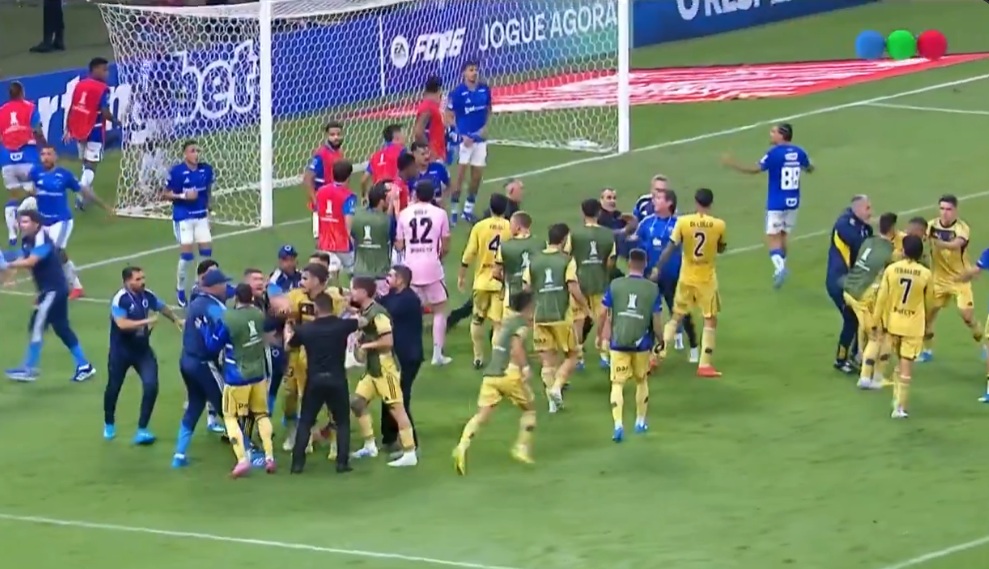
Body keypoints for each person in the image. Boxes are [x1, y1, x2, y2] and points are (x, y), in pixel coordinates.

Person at [1, 209, 95, 382]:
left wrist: (7, 264)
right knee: (62, 328)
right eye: (21, 222)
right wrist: (9, 272)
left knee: (37, 326)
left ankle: (28, 368)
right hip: (51, 290)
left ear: (36, 223)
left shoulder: (42, 239)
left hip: (53, 291)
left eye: (26, 222)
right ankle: (84, 366)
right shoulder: (27, 240)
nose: (22, 225)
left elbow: (32, 261)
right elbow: (24, 259)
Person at [452, 291, 537, 475]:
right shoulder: (520, 324)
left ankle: (462, 446)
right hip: (508, 374)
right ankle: (521, 448)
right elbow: (516, 347)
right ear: (528, 307)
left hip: (490, 375)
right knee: (529, 410)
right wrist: (525, 368)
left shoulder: (506, 322)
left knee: (482, 415)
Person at [723, 122, 813, 288]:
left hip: (776, 202)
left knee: (772, 237)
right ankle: (782, 266)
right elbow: (809, 168)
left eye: (774, 132)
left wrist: (732, 163)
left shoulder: (774, 153)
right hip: (793, 201)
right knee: (783, 235)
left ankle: (780, 268)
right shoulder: (799, 152)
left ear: (782, 135)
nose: (771, 134)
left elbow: (754, 169)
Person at [205, 283, 277, 476]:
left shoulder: (228, 318)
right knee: (261, 414)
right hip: (258, 374)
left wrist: (206, 330)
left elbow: (212, 346)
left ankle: (242, 460)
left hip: (236, 377)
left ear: (236, 298)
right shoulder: (258, 314)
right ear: (252, 298)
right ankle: (270, 457)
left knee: (230, 417)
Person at [104, 266, 181, 444]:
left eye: (143, 278)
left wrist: (175, 319)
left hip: (142, 351)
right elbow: (122, 324)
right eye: (138, 279)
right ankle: (109, 422)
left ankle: (142, 429)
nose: (142, 282)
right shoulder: (120, 299)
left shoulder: (147, 295)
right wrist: (146, 321)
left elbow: (162, 307)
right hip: (120, 352)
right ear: (127, 282)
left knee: (151, 385)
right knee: (114, 388)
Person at [284, 292, 359, 474]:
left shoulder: (306, 330)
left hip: (315, 380)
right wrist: (350, 308)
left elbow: (288, 346)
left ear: (316, 308)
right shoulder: (342, 326)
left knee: (306, 421)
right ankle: (342, 463)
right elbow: (362, 321)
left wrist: (288, 330)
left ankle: (297, 464)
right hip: (337, 379)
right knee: (342, 422)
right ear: (332, 306)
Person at [656, 188, 727, 378]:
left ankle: (658, 354)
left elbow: (671, 247)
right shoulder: (719, 225)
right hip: (706, 278)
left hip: (686, 275)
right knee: (710, 318)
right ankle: (704, 364)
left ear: (696, 202)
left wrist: (658, 268)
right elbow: (721, 248)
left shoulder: (683, 221)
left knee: (676, 316)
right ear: (711, 203)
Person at [349, 276, 418, 467]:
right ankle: (370, 445)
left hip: (385, 369)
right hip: (373, 369)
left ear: (363, 292)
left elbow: (388, 342)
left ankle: (410, 452)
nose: (351, 292)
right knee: (357, 403)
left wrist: (366, 346)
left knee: (397, 410)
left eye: (353, 289)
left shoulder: (378, 314)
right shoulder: (366, 310)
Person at [280, 262, 347, 453]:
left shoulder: (333, 298)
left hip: (323, 354)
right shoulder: (295, 296)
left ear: (317, 281)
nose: (301, 281)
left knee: (327, 398)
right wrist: (288, 339)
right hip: (298, 352)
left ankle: (334, 441)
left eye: (305, 278)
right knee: (292, 395)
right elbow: (289, 322)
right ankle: (298, 434)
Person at [599, 248, 663, 442]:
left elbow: (603, 312)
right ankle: (640, 422)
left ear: (628, 264)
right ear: (645, 265)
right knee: (641, 381)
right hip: (641, 343)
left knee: (617, 383)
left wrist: (600, 335)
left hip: (618, 342)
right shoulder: (652, 289)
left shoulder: (615, 284)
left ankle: (618, 425)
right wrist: (661, 340)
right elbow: (657, 319)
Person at [31, 145, 111, 299]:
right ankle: (75, 287)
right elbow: (31, 189)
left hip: (61, 221)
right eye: (43, 154)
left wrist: (104, 206)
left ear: (55, 157)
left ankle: (53, 288)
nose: (45, 157)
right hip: (43, 222)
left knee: (52, 252)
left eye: (49, 154)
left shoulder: (64, 175)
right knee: (56, 254)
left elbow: (84, 191)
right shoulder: (35, 173)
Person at [525, 223, 589, 412]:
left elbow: (526, 288)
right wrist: (585, 306)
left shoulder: (534, 261)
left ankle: (553, 404)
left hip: (540, 316)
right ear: (564, 240)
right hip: (560, 315)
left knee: (547, 361)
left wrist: (528, 313)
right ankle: (557, 387)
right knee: (573, 355)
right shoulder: (567, 260)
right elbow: (572, 286)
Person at [172, 268, 230, 467]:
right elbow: (226, 325)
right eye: (224, 284)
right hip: (204, 364)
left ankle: (179, 455)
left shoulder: (196, 302)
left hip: (186, 360)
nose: (226, 287)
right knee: (228, 406)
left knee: (195, 406)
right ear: (215, 286)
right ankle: (249, 449)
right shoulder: (213, 307)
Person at [447, 180, 524, 328]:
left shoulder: (502, 208)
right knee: (494, 302)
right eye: (520, 189)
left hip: (489, 263)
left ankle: (459, 318)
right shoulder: (509, 213)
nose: (522, 192)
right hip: (497, 263)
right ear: (512, 191)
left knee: (483, 301)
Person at [871, 235, 933, 418]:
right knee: (906, 366)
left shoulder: (891, 270)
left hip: (894, 323)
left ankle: (897, 400)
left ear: (904, 251)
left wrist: (875, 322)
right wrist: (927, 324)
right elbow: (930, 302)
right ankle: (899, 407)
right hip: (913, 326)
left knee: (899, 362)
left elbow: (881, 298)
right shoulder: (926, 274)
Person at [639, 189, 699, 361]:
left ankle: (694, 346)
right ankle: (650, 352)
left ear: (669, 203)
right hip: (650, 277)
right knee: (649, 314)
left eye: (658, 198)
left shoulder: (679, 223)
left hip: (673, 277)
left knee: (681, 312)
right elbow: (637, 245)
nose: (654, 201)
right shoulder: (646, 223)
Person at [396, 180, 452, 365]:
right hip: (432, 266)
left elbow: (399, 244)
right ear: (433, 194)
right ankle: (437, 354)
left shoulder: (404, 213)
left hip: (409, 269)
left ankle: (410, 350)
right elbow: (446, 244)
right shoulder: (440, 214)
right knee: (440, 309)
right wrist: (437, 257)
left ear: (415, 194)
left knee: (410, 311)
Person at [920, 194, 981, 362]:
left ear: (955, 210)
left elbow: (956, 245)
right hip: (938, 280)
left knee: (967, 317)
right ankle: (927, 350)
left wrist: (939, 243)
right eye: (942, 208)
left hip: (960, 279)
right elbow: (920, 237)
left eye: (948, 209)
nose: (944, 212)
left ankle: (983, 342)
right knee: (927, 317)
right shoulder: (931, 225)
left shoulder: (962, 228)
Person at [842, 213, 898, 390]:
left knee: (864, 325)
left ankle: (860, 355)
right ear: (892, 229)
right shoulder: (890, 251)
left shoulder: (868, 241)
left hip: (849, 289)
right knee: (877, 336)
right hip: (862, 294)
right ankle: (867, 378)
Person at [459, 193, 512, 368]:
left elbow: (469, 253)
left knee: (477, 319)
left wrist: (462, 275)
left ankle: (478, 357)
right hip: (500, 282)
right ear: (505, 209)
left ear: (490, 208)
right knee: (498, 324)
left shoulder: (480, 226)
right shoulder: (509, 227)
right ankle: (497, 359)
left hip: (481, 281)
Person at [376, 265, 424, 455]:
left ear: (401, 279)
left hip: (408, 357)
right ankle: (389, 439)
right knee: (389, 395)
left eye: (391, 275)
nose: (387, 278)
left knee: (399, 400)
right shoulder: (394, 296)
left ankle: (411, 445)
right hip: (397, 356)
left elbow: (383, 311)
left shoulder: (408, 300)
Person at [826, 195, 874, 373]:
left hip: (852, 281)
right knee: (852, 318)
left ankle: (854, 355)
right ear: (857, 209)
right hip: (839, 281)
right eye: (867, 208)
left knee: (859, 317)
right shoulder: (844, 225)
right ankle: (841, 359)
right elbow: (861, 247)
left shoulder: (863, 227)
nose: (870, 213)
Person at [165, 140, 214, 307]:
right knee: (187, 256)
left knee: (206, 253)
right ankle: (180, 289)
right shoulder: (177, 172)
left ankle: (197, 286)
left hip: (201, 217)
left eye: (197, 151)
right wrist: (184, 196)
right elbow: (165, 194)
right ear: (185, 154)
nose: (196, 154)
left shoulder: (206, 170)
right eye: (192, 151)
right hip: (183, 217)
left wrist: (209, 211)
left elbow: (208, 191)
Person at [569, 199, 616, 371]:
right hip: (600, 281)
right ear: (599, 212)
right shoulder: (608, 234)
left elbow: (566, 256)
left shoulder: (574, 234)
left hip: (580, 282)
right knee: (605, 318)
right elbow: (611, 261)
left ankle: (579, 358)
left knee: (578, 320)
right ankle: (604, 355)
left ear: (583, 212)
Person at [63, 57, 115, 209]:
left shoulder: (80, 85)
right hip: (95, 130)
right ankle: (81, 195)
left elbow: (73, 107)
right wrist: (117, 121)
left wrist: (68, 128)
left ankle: (87, 193)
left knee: (85, 163)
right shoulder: (103, 88)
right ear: (95, 69)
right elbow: (105, 112)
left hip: (79, 129)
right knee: (91, 165)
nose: (107, 73)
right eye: (104, 70)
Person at [447, 60, 492, 226]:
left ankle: (467, 210)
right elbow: (448, 116)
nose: (474, 73)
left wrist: (485, 128)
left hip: (480, 140)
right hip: (464, 142)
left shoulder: (484, 89)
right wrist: (461, 135)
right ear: (464, 73)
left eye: (476, 70)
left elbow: (488, 110)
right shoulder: (457, 93)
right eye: (471, 70)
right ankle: (453, 212)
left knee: (476, 177)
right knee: (459, 178)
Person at [1, 81, 46, 245]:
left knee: (13, 196)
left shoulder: (1, 111)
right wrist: (45, 146)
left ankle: (12, 233)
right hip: (27, 157)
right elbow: (37, 130)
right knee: (33, 194)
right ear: (22, 92)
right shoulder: (30, 107)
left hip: (7, 159)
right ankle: (31, 232)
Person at [496, 211, 542, 322]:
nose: (509, 229)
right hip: (535, 294)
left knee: (511, 328)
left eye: (511, 225)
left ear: (518, 227)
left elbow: (495, 273)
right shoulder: (541, 244)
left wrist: (506, 281)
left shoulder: (504, 247)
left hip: (513, 294)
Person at [303, 121, 344, 240]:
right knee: (321, 238)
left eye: (338, 134)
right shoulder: (321, 154)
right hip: (324, 203)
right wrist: (316, 201)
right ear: (326, 136)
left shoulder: (339, 152)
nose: (336, 137)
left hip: (335, 201)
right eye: (332, 135)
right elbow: (307, 178)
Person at [351, 183, 394, 297]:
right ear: (381, 201)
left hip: (359, 274)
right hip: (380, 275)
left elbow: (352, 235)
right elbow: (394, 239)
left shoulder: (357, 216)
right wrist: (393, 205)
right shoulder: (387, 221)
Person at [315, 159, 357, 272]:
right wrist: (354, 242)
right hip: (342, 244)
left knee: (329, 272)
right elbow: (349, 222)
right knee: (353, 272)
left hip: (324, 242)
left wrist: (317, 236)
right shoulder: (349, 196)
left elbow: (316, 214)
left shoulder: (320, 192)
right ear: (349, 177)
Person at [413, 75, 449, 165]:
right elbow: (418, 132)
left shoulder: (431, 106)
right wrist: (429, 150)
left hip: (437, 153)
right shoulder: (428, 107)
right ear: (439, 91)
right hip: (434, 156)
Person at [362, 124, 406, 195]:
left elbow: (363, 180)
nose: (405, 138)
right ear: (397, 138)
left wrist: (363, 195)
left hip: (377, 193)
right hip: (394, 192)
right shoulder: (402, 151)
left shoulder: (375, 156)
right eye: (403, 135)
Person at [409, 140, 450, 205]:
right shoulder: (409, 172)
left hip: (436, 208)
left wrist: (443, 198)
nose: (427, 156)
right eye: (423, 154)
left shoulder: (439, 168)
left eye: (428, 153)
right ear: (414, 155)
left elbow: (448, 185)